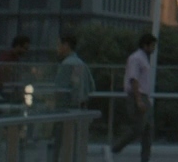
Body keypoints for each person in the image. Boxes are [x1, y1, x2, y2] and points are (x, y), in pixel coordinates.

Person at [107, 33, 157, 162]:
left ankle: (145, 158)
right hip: (137, 95)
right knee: (137, 128)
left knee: (148, 129)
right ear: (145, 45)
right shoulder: (136, 58)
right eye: (152, 46)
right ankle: (114, 148)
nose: (154, 49)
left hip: (144, 96)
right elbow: (133, 79)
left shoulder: (144, 58)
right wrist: (138, 99)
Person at [52, 34, 95, 162]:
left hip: (64, 109)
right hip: (79, 109)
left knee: (59, 145)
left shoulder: (66, 65)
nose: (57, 48)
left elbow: (59, 90)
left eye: (59, 44)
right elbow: (91, 86)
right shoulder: (81, 64)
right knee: (75, 145)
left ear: (66, 45)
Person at [0, 35, 31, 106]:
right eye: (25, 48)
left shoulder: (13, 59)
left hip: (7, 91)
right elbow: (4, 75)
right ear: (18, 46)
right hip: (4, 91)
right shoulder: (8, 58)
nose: (26, 51)